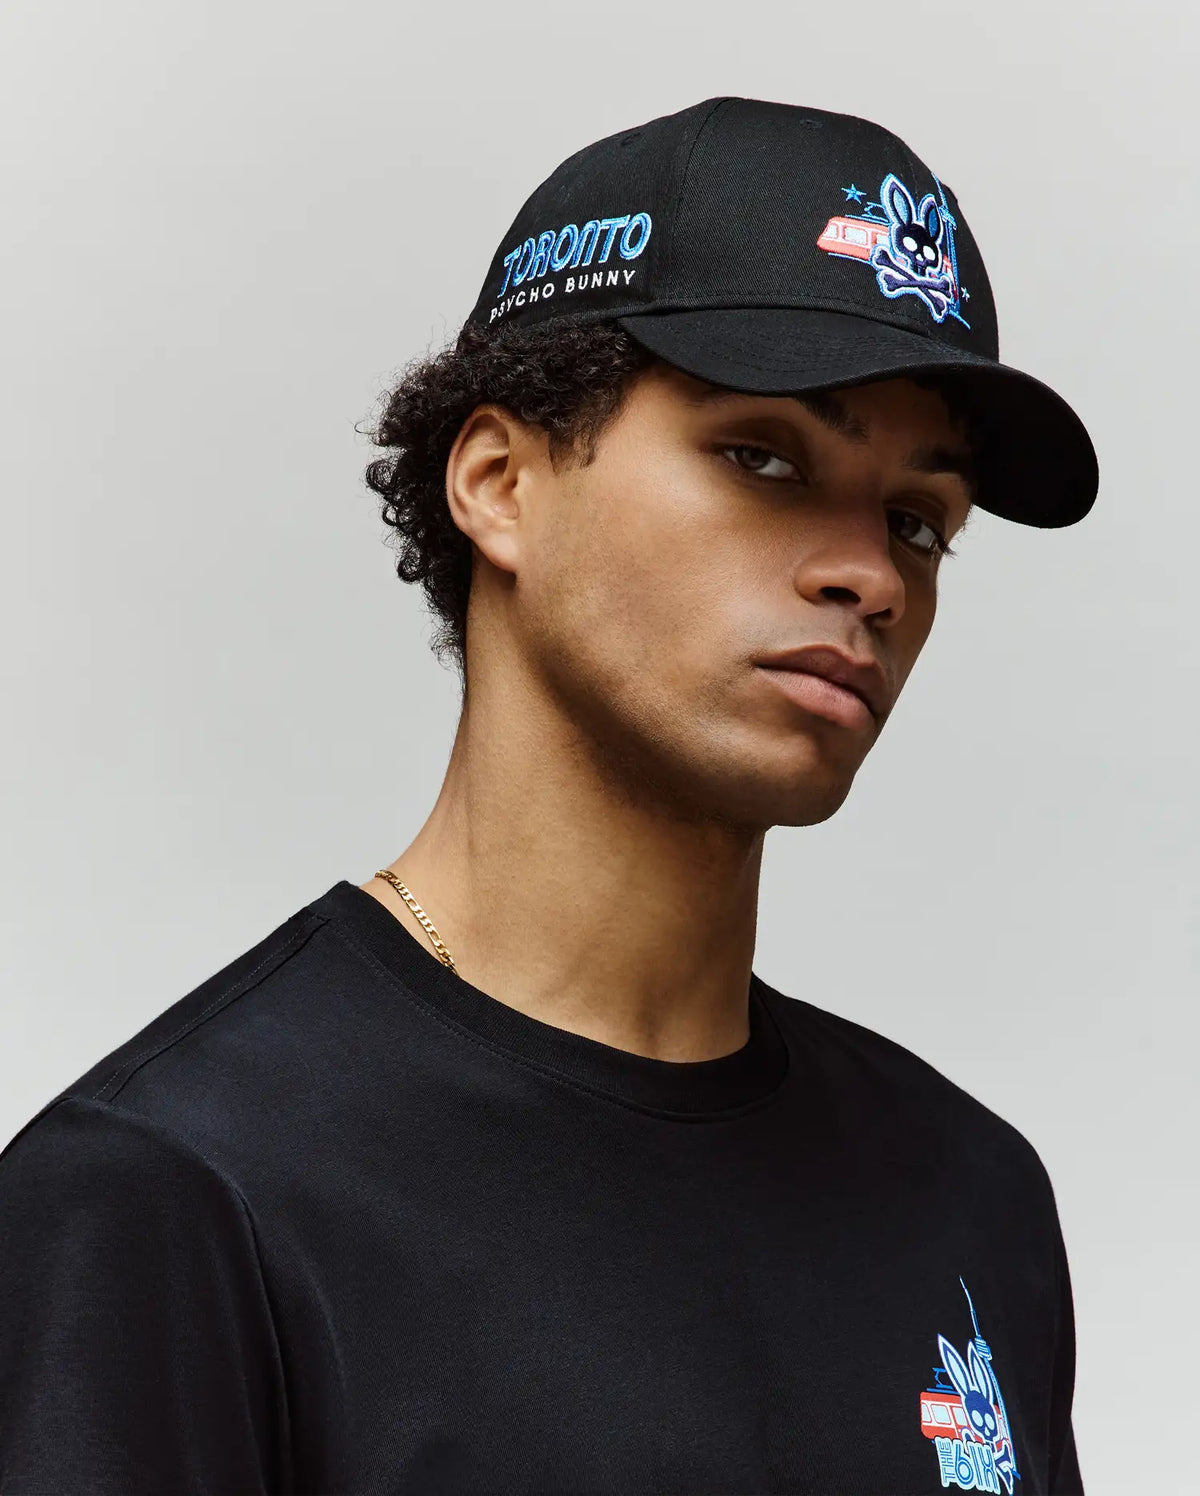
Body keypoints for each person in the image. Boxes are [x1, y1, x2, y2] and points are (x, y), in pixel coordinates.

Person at [0, 97, 1096, 1495]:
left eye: (917, 519)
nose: (869, 576)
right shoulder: (177, 1197)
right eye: (764, 458)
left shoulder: (967, 1197)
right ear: (500, 483)